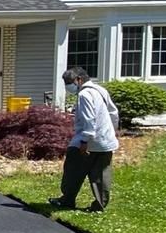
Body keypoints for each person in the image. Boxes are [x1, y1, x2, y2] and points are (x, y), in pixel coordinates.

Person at [50, 66, 119, 212]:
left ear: (78, 79)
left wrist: (84, 141)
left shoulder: (85, 95)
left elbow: (90, 119)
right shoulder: (101, 90)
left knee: (73, 170)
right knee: (101, 174)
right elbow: (113, 113)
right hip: (106, 141)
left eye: (69, 82)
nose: (68, 87)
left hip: (88, 141)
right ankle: (99, 205)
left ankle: (67, 199)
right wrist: (111, 132)